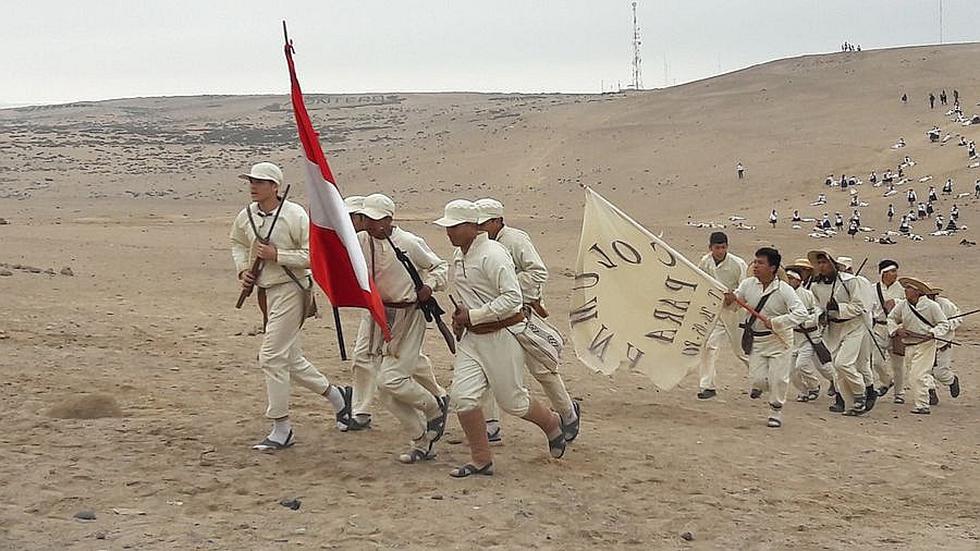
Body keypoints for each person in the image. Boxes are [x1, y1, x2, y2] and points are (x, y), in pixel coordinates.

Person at [435, 200, 567, 478]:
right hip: (472, 341)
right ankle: (481, 459)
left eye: (455, 227)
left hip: (501, 337)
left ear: (473, 227)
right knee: (463, 398)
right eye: (447, 227)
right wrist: (462, 316)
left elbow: (512, 299)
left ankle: (552, 423)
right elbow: (469, 295)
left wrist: (476, 315)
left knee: (513, 402)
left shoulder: (493, 254)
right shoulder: (460, 256)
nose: (449, 233)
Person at [230, 162, 353, 451]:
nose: (253, 186)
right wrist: (243, 270)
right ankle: (337, 397)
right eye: (251, 181)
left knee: (271, 356)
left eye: (260, 181)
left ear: (275, 186)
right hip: (266, 293)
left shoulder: (294, 215)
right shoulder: (246, 216)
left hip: (292, 289)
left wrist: (278, 255)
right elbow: (237, 242)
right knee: (291, 360)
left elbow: (314, 257)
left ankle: (281, 427)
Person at [473, 198, 580, 444]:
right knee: (487, 367)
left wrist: (507, 287)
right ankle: (491, 425)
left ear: (497, 221)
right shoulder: (477, 246)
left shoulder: (515, 240)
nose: (479, 228)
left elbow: (538, 272)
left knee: (542, 369)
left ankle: (568, 413)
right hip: (491, 317)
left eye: (484, 223)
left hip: (520, 315)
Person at [355, 194, 451, 463]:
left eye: (376, 219)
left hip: (410, 315)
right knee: (385, 392)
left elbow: (439, 266)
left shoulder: (408, 242)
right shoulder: (361, 241)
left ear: (389, 218)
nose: (371, 224)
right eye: (367, 219)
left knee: (391, 379)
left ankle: (434, 407)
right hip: (381, 316)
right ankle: (421, 440)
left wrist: (430, 286)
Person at [728, 248, 807, 427]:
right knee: (757, 379)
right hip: (756, 339)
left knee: (778, 379)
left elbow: (801, 313)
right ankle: (760, 388)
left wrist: (777, 322)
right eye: (755, 262)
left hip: (780, 340)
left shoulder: (784, 290)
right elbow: (735, 303)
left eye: (760, 263)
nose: (756, 266)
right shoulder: (748, 284)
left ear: (772, 267)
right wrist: (729, 299)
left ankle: (775, 411)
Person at [807, 249, 870, 416]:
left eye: (824, 262)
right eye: (819, 263)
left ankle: (860, 392)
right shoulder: (815, 285)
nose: (821, 266)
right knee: (836, 368)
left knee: (844, 363)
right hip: (833, 328)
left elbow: (859, 306)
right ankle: (851, 404)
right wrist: (820, 315)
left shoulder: (850, 281)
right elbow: (817, 307)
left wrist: (838, 308)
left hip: (853, 326)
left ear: (833, 263)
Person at [696, 232, 749, 399]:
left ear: (727, 247)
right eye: (717, 247)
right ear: (710, 247)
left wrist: (733, 296)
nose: (720, 251)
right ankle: (707, 386)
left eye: (723, 247)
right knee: (709, 345)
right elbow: (700, 280)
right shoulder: (706, 261)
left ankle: (762, 380)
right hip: (716, 309)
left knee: (741, 350)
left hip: (736, 311)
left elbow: (746, 286)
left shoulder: (737, 263)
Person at [887, 278, 950, 414]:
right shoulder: (903, 305)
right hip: (909, 344)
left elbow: (944, 324)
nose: (905, 291)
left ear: (917, 292)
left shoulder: (931, 306)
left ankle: (922, 404)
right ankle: (924, 399)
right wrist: (897, 330)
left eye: (908, 289)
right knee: (912, 374)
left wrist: (933, 333)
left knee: (918, 374)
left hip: (925, 344)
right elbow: (891, 318)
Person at [785, 259, 832, 402]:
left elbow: (816, 311)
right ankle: (804, 391)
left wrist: (803, 320)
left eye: (791, 279)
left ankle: (818, 385)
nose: (788, 281)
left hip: (809, 336)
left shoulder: (807, 294)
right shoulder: (784, 294)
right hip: (793, 337)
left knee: (804, 365)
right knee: (791, 371)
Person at [872, 260, 906, 401]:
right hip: (878, 327)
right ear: (883, 273)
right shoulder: (872, 288)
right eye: (892, 271)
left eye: (895, 271)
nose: (895, 274)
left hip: (897, 329)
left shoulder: (903, 289)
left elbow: (908, 305)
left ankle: (899, 394)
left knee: (898, 363)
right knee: (876, 362)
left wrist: (896, 302)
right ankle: (886, 381)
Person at [925, 287, 962, 401]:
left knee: (940, 373)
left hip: (943, 345)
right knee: (924, 371)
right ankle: (930, 392)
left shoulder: (946, 304)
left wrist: (947, 325)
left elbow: (959, 318)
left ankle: (951, 380)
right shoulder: (917, 306)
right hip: (925, 344)